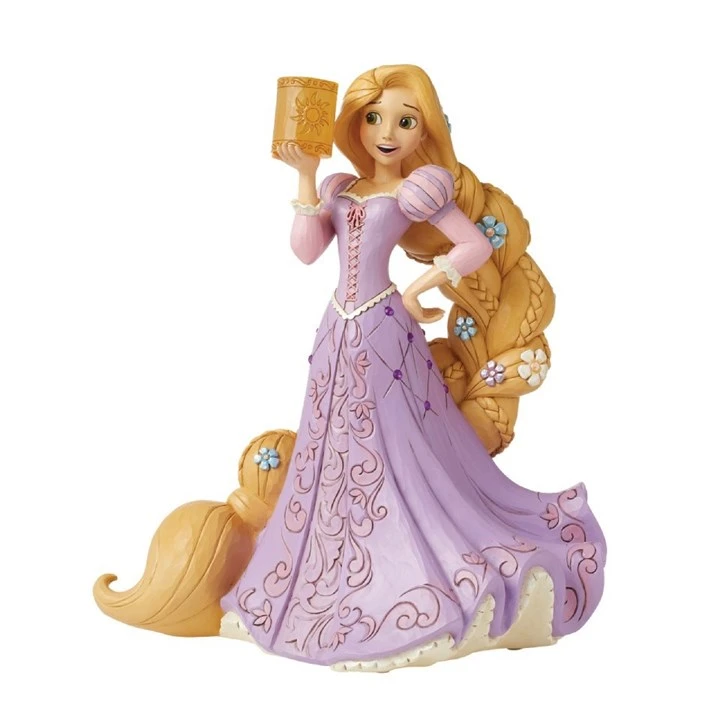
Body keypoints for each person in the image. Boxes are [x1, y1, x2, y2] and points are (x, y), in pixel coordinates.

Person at [94, 64, 605, 673]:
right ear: (355, 123)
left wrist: (421, 284)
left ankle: (402, 555)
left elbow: (473, 245)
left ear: (423, 131)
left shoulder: (419, 189)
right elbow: (307, 250)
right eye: (374, 118)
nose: (387, 133)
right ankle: (334, 555)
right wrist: (305, 176)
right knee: (332, 440)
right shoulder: (340, 188)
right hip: (338, 328)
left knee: (391, 444)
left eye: (405, 122)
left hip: (384, 326)